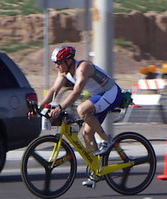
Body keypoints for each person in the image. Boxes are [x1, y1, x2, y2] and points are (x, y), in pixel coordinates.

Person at [33, 46, 123, 187]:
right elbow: (53, 90)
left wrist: (60, 107)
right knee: (86, 133)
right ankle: (97, 170)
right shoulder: (64, 73)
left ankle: (107, 141)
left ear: (69, 61)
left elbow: (76, 92)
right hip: (98, 96)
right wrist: (39, 107)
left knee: (82, 109)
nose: (56, 66)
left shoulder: (83, 68)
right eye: (55, 63)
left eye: (59, 62)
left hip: (111, 92)